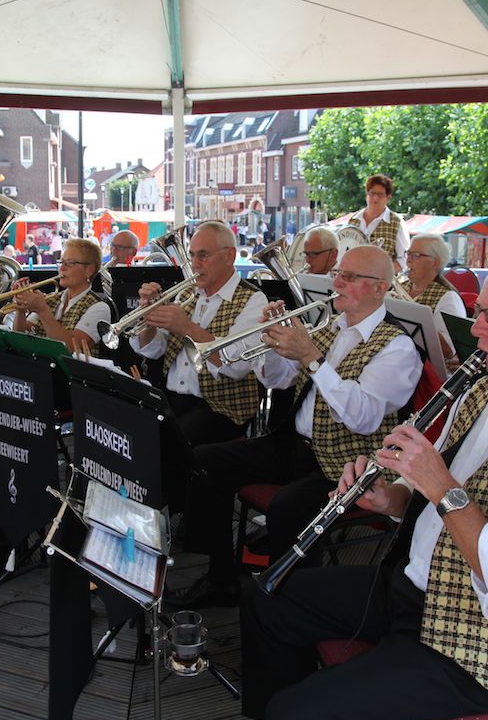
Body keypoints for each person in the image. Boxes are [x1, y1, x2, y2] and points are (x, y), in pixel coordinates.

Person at [239, 246, 488, 720]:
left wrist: (440, 485)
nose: (477, 329)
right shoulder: (486, 389)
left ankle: (307, 716)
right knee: (266, 598)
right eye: (479, 313)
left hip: (478, 646)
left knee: (296, 717)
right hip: (413, 589)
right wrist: (392, 497)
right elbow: (423, 490)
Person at [174, 245, 421, 609]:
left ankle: (286, 605)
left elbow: (363, 417)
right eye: (337, 274)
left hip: (345, 463)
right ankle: (220, 578)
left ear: (380, 288)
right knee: (206, 460)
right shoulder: (331, 327)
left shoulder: (397, 348)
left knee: (287, 507)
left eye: (349, 277)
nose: (337, 283)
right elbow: (278, 379)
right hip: (295, 445)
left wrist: (312, 357)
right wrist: (273, 344)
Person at [130, 220, 266, 449]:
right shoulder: (187, 293)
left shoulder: (253, 300)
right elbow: (154, 349)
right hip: (172, 398)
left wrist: (187, 328)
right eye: (192, 255)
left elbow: (236, 365)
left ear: (229, 256)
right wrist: (149, 317)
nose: (194, 263)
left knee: (163, 445)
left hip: (221, 408)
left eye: (203, 255)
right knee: (129, 429)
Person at [11, 238, 111, 352]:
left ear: (89, 270)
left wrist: (43, 311)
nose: (62, 268)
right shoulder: (51, 299)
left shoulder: (99, 308)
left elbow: (73, 347)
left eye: (70, 263)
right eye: (61, 262)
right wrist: (20, 309)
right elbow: (21, 336)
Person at [404, 233, 466, 365]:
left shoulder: (448, 298)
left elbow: (449, 350)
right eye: (408, 254)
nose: (408, 260)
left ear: (435, 262)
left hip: (428, 371)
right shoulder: (401, 287)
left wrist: (414, 317)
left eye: (416, 255)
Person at [349, 174, 410, 272]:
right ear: (366, 194)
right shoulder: (353, 220)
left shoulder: (397, 223)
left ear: (388, 197)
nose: (375, 198)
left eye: (380, 195)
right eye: (372, 193)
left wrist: (381, 272)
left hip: (383, 279)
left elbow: (404, 259)